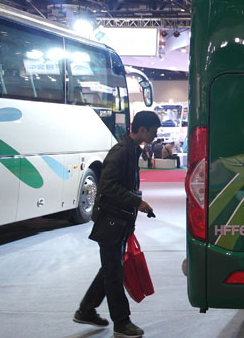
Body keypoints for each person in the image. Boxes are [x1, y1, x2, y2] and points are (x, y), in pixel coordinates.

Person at [73, 110, 160, 338]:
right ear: (142, 129)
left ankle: (86, 310)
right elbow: (107, 186)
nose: (155, 135)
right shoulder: (121, 152)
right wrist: (137, 202)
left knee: (111, 269)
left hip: (119, 221)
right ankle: (121, 322)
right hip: (111, 221)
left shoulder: (132, 150)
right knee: (114, 273)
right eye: (153, 131)